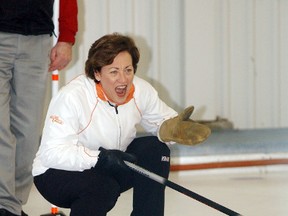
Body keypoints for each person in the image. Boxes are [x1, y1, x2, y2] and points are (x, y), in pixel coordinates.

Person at [32, 33, 210, 216]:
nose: (123, 79)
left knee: (156, 149)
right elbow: (52, 154)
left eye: (128, 70)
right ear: (97, 73)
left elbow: (161, 119)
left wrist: (170, 128)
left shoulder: (140, 90)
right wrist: (99, 158)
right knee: (103, 188)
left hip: (109, 164)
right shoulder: (73, 97)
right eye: (114, 71)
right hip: (56, 173)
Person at [0, 0, 78, 215]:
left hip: (37, 39)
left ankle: (13, 205)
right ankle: (4, 205)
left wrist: (66, 38)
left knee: (29, 131)